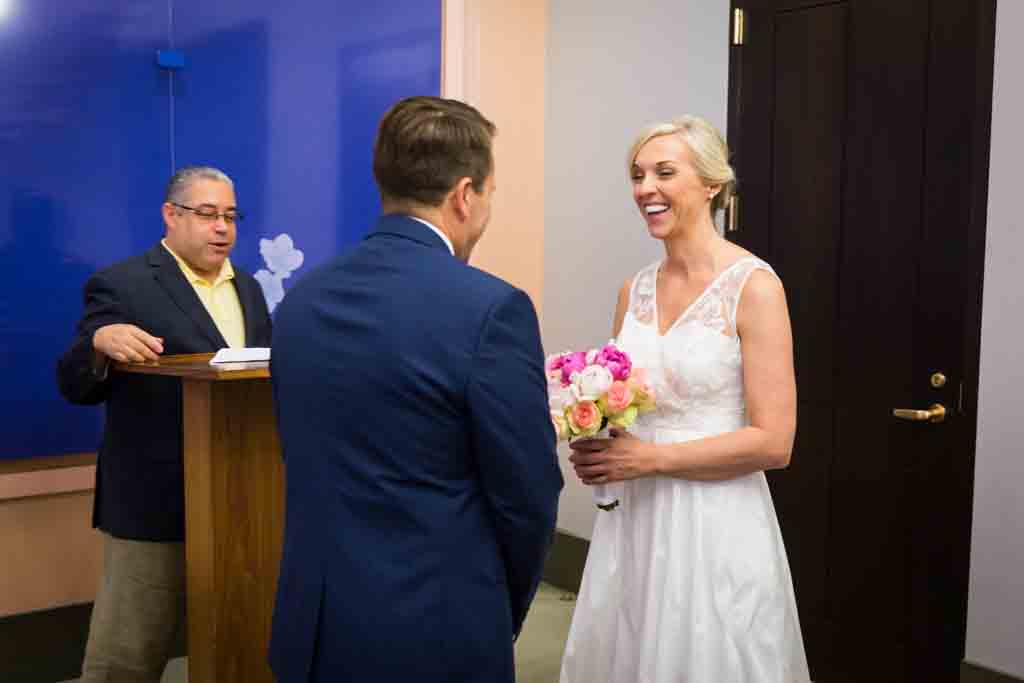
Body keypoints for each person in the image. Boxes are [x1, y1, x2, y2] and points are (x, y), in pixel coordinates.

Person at [268, 96, 563, 683]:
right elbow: (526, 493)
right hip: (436, 625)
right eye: (490, 194)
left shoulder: (302, 299)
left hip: (316, 621)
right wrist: (500, 602)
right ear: (464, 194)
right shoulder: (491, 309)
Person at [559, 116, 811, 682]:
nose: (645, 188)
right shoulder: (636, 289)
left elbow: (776, 442)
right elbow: (627, 402)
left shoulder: (755, 287)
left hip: (714, 520)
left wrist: (652, 460)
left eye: (664, 172)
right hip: (635, 519)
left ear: (712, 184)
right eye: (637, 175)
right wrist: (598, 439)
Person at [57, 165, 272, 682]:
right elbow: (74, 383)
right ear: (170, 215)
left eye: (230, 216)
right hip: (154, 503)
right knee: (125, 661)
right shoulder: (123, 284)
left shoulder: (250, 289)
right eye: (207, 215)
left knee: (239, 645)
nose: (222, 227)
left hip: (242, 503)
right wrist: (98, 345)